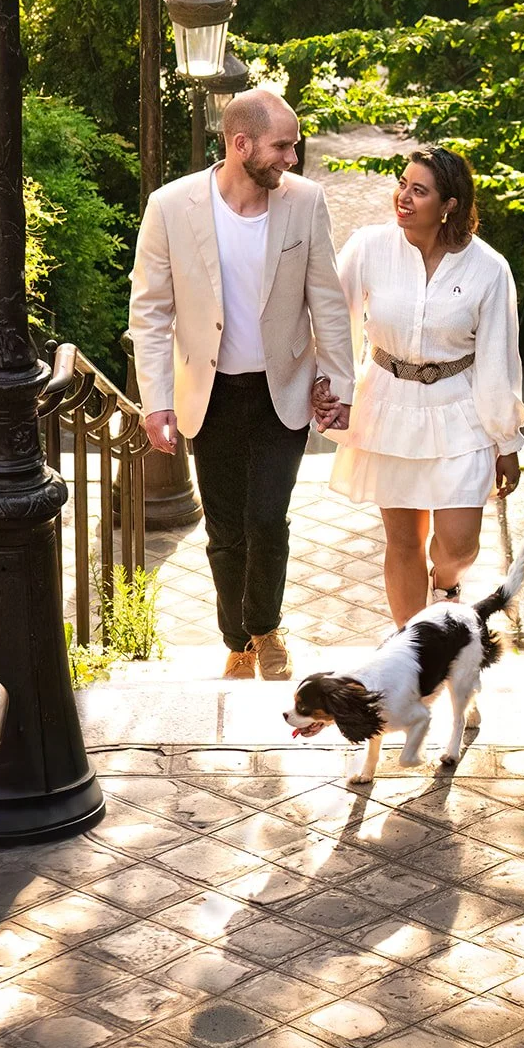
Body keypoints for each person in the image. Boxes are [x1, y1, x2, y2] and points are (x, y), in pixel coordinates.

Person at [129, 88, 356, 680]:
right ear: (240, 144)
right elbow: (150, 311)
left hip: (283, 390)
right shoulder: (170, 206)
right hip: (211, 394)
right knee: (226, 527)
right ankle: (239, 642)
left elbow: (327, 301)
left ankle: (268, 629)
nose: (292, 154)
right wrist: (157, 402)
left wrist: (340, 383)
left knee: (267, 518)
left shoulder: (305, 203)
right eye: (283, 145)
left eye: (294, 143)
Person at [314, 146, 524, 627]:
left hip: (461, 409)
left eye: (419, 190)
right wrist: (333, 388)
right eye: (402, 184)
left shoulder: (489, 269)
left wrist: (507, 441)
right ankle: (409, 659)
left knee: (459, 545)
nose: (402, 198)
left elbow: (499, 359)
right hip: (389, 404)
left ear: (448, 204)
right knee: (403, 541)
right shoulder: (370, 246)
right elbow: (333, 319)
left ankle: (447, 582)